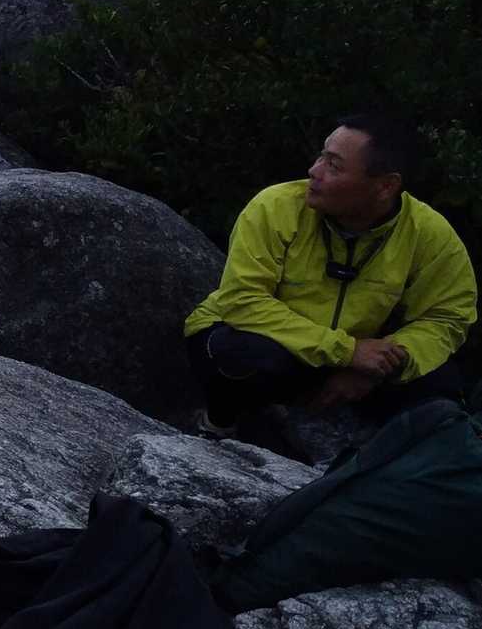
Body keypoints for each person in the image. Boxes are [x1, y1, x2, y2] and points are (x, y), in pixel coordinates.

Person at [183, 113, 476, 454]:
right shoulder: (275, 207)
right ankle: (219, 426)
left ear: (385, 186)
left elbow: (447, 316)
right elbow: (242, 301)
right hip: (278, 345)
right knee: (242, 354)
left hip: (354, 361)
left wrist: (378, 366)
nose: (314, 171)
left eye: (334, 166)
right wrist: (348, 351)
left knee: (441, 385)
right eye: (322, 156)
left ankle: (384, 468)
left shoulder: (428, 234)